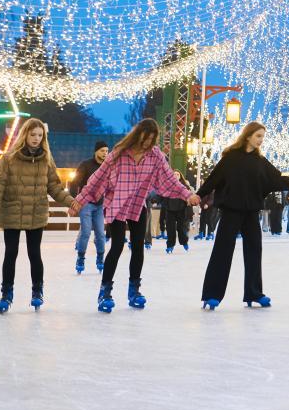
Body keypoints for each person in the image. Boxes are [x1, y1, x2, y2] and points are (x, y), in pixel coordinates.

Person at [72, 118, 200, 313]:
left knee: (138, 246)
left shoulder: (155, 156)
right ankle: (105, 291)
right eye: (144, 138)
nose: (147, 143)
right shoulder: (119, 153)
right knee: (116, 246)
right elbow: (96, 179)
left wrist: (187, 194)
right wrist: (79, 200)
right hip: (117, 204)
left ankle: (134, 290)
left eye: (151, 139)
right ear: (137, 135)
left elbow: (168, 179)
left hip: (137, 203)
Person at [196, 122, 289, 310]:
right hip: (231, 211)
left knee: (254, 252)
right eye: (258, 136)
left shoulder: (260, 162)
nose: (261, 140)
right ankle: (211, 294)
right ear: (248, 135)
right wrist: (199, 195)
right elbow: (213, 180)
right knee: (222, 251)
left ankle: (254, 293)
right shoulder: (230, 158)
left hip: (251, 213)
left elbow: (280, 180)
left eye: (262, 137)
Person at [0, 118, 76, 313]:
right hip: (12, 211)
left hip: (36, 212)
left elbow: (54, 187)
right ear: (25, 135)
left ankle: (37, 292)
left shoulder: (46, 159)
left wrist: (72, 202)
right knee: (11, 253)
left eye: (40, 135)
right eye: (33, 134)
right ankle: (6, 293)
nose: (36, 138)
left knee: (34, 254)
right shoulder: (9, 159)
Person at [69, 140, 108, 275]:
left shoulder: (107, 167)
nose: (105, 153)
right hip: (86, 204)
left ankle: (100, 258)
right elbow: (74, 183)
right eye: (102, 151)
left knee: (100, 234)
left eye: (107, 151)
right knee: (85, 232)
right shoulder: (86, 165)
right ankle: (80, 258)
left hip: (99, 205)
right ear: (96, 151)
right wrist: (76, 200)